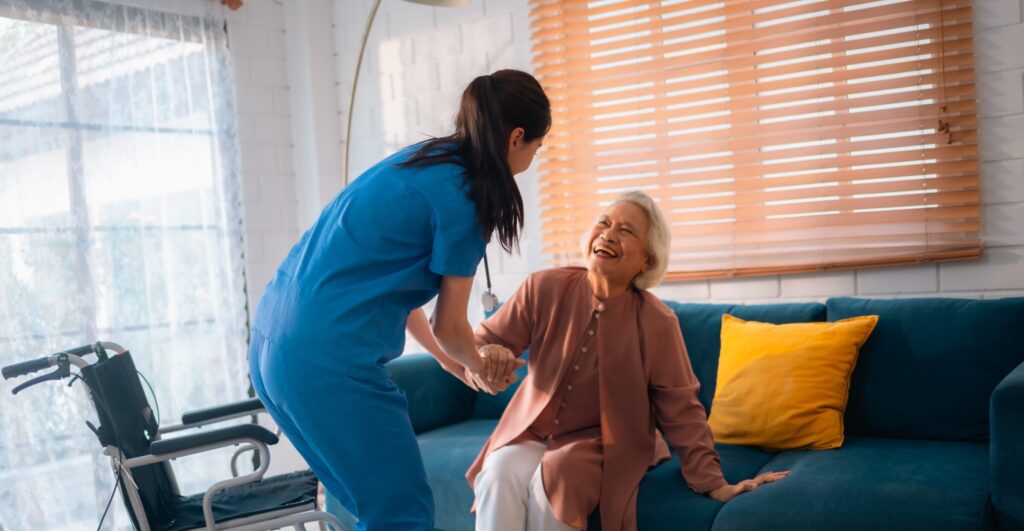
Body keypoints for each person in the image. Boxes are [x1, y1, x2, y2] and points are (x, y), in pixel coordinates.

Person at [248, 69, 549, 530]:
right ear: (516, 138)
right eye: (537, 146)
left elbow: (397, 288)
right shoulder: (467, 197)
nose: (534, 156)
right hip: (329, 361)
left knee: (376, 509)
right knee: (401, 514)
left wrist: (454, 362)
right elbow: (451, 326)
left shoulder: (421, 162)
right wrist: (482, 365)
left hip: (273, 352)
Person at [467, 191, 791, 531]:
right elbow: (484, 342)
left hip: (603, 443)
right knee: (498, 471)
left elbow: (682, 411)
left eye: (626, 230)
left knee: (559, 474)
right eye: (604, 223)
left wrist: (714, 483)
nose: (609, 233)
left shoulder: (658, 323)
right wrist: (486, 355)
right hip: (532, 432)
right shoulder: (543, 287)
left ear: (646, 260)